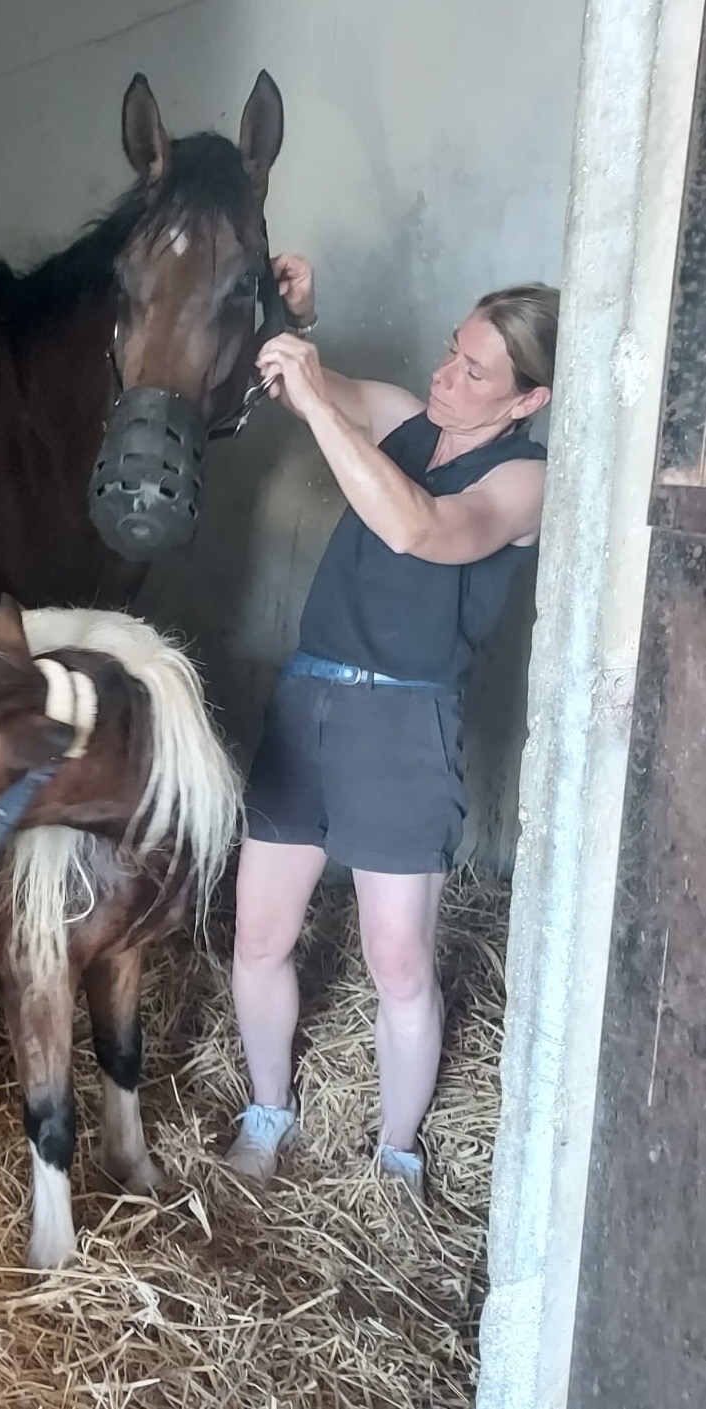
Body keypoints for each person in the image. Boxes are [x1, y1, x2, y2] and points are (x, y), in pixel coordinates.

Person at [224, 255, 558, 1200]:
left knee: (399, 957)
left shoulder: (525, 481)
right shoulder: (402, 418)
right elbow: (297, 380)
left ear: (527, 400)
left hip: (406, 719)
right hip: (309, 698)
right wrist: (286, 314)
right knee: (257, 932)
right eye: (451, 352)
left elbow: (420, 529)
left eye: (474, 372)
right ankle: (267, 1111)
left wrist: (322, 411)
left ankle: (396, 1151)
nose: (444, 377)